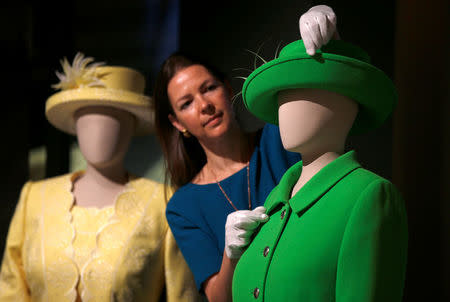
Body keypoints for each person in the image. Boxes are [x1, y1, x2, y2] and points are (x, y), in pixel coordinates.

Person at [153, 5, 339, 301]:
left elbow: (331, 119)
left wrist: (327, 44)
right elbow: (219, 297)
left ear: (228, 89)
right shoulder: (184, 205)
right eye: (186, 103)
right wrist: (231, 254)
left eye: (209, 88)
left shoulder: (280, 137)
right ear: (177, 124)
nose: (204, 105)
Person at [0, 53, 201, 302]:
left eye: (113, 121)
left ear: (131, 127)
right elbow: (10, 289)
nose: (98, 132)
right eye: (88, 121)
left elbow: (182, 294)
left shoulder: (162, 202)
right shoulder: (34, 197)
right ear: (75, 127)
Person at [232, 39, 408, 301]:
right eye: (282, 93)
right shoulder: (275, 201)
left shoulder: (369, 196)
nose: (286, 106)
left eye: (304, 89)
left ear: (347, 103)